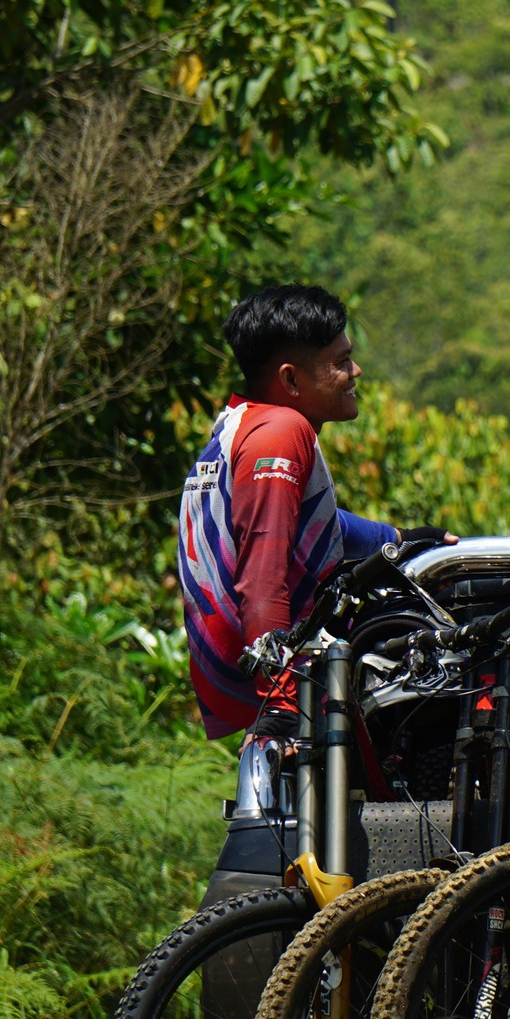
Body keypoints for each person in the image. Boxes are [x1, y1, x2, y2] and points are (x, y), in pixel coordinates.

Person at [178, 283, 451, 739]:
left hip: (239, 672)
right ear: (290, 380)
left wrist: (398, 539)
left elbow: (318, 526)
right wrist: (283, 702)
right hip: (278, 678)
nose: (356, 370)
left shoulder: (238, 425)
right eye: (342, 361)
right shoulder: (282, 433)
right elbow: (262, 569)